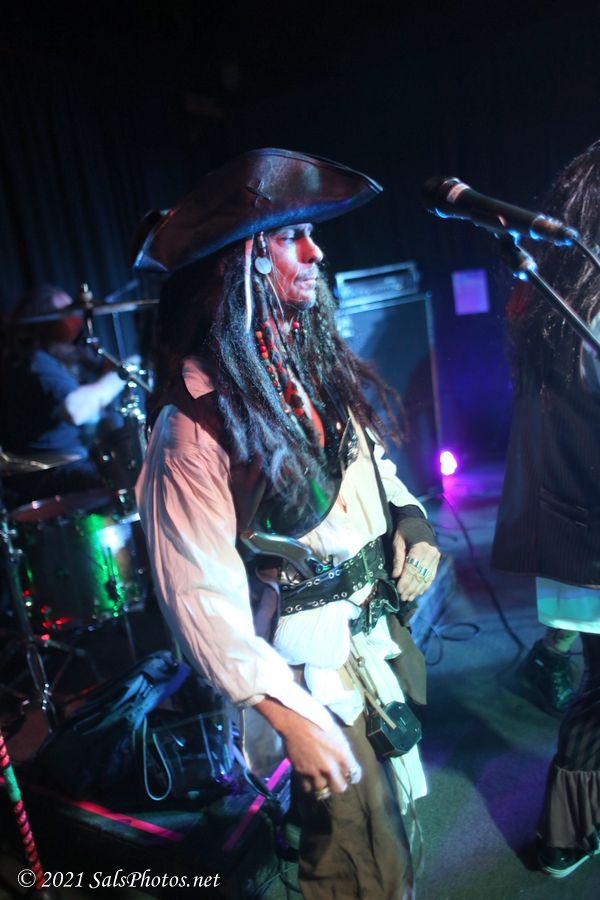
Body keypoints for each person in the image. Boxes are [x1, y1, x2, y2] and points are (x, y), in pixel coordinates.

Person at [132, 148, 441, 898]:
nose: (316, 252)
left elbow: (369, 465)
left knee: (391, 836)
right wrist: (289, 715)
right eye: (292, 236)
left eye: (310, 233)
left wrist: (412, 521)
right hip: (310, 670)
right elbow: (198, 598)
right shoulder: (192, 424)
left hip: (373, 637)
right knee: (355, 855)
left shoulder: (304, 363)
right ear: (243, 262)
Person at [491, 139, 600, 878]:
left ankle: (567, 832)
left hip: (575, 531)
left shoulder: (557, 302)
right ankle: (563, 833)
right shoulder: (581, 311)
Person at [0, 284, 131, 505]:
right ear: (44, 321)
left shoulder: (55, 357)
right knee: (127, 482)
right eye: (67, 312)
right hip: (50, 476)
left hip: (68, 465)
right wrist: (123, 373)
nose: (75, 318)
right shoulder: (35, 362)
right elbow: (76, 410)